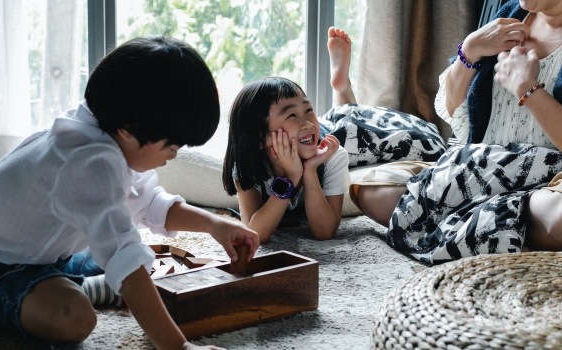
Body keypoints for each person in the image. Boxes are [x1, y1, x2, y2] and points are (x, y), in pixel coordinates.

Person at [0, 36, 260, 349]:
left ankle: (82, 282)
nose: (173, 155)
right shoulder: (89, 163)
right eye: (171, 146)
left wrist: (214, 224)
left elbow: (148, 204)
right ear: (128, 131)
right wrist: (178, 346)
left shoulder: (107, 130)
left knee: (149, 261)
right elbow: (124, 256)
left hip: (51, 252)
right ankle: (85, 288)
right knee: (76, 316)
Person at [353, 0, 562, 264]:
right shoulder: (512, 15)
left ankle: (476, 233)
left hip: (549, 183)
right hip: (481, 168)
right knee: (371, 190)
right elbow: (453, 108)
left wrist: (527, 88)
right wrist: (470, 50)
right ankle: (498, 237)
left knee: (558, 219)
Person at [222, 27, 446, 244]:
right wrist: (290, 178)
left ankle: (342, 91)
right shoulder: (247, 165)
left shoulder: (331, 155)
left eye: (308, 109)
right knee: (339, 125)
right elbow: (255, 233)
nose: (307, 122)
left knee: (369, 135)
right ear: (260, 138)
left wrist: (309, 170)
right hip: (326, 132)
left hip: (340, 132)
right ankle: (343, 92)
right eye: (291, 115)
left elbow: (324, 231)